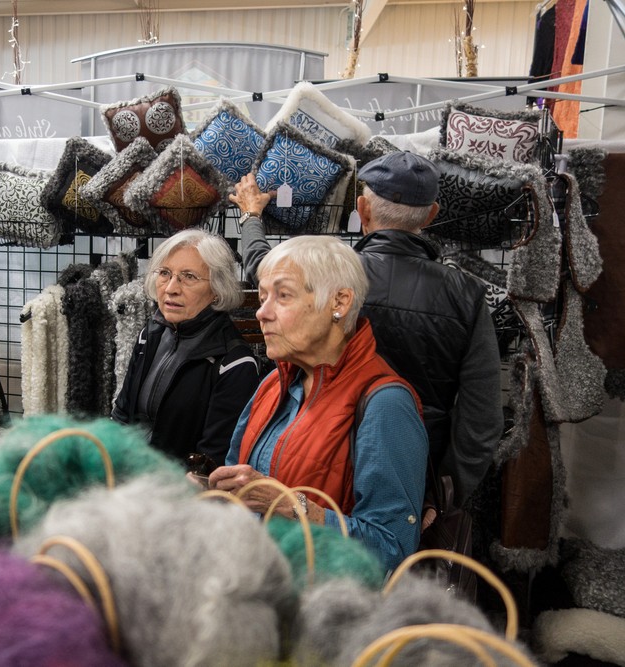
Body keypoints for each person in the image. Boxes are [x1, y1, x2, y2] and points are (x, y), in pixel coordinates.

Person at [230, 152, 503, 511]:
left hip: (313, 463)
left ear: (363, 208)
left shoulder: (329, 279)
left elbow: (260, 265)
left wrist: (251, 217)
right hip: (419, 478)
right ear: (432, 214)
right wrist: (440, 494)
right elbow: (481, 420)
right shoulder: (465, 295)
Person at [208, 235, 428, 571]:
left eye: (283, 296)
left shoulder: (385, 405)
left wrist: (295, 507)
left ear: (339, 301)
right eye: (264, 296)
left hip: (326, 612)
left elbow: (392, 550)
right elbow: (238, 483)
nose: (261, 312)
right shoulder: (273, 384)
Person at [111, 229, 261, 470]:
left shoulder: (234, 363)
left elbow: (212, 460)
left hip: (181, 497)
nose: (171, 288)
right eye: (165, 273)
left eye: (189, 277)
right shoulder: (149, 335)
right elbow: (122, 413)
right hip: (129, 481)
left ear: (216, 289)